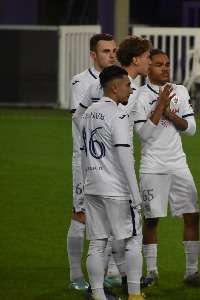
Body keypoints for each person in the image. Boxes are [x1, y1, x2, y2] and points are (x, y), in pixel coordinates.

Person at [133, 49, 200, 287]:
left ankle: (192, 272)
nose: (165, 68)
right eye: (158, 65)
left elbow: (192, 128)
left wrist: (168, 112)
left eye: (167, 64)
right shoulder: (139, 96)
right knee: (152, 219)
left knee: (192, 215)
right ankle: (151, 271)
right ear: (149, 68)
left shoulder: (181, 91)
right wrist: (160, 106)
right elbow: (143, 134)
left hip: (178, 163)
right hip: (152, 165)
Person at [81, 65, 144, 300]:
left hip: (93, 186)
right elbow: (124, 155)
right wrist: (135, 194)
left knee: (97, 244)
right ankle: (135, 294)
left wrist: (83, 185)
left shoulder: (89, 112)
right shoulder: (118, 114)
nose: (130, 89)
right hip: (116, 189)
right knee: (133, 240)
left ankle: (98, 296)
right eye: (127, 85)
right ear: (115, 87)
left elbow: (83, 151)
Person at [68, 33, 116, 291]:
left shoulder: (119, 80)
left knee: (110, 216)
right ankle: (76, 275)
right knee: (81, 215)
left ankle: (106, 271)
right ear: (93, 55)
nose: (111, 55)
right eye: (106, 51)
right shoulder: (81, 82)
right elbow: (81, 118)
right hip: (86, 161)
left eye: (114, 50)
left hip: (113, 162)